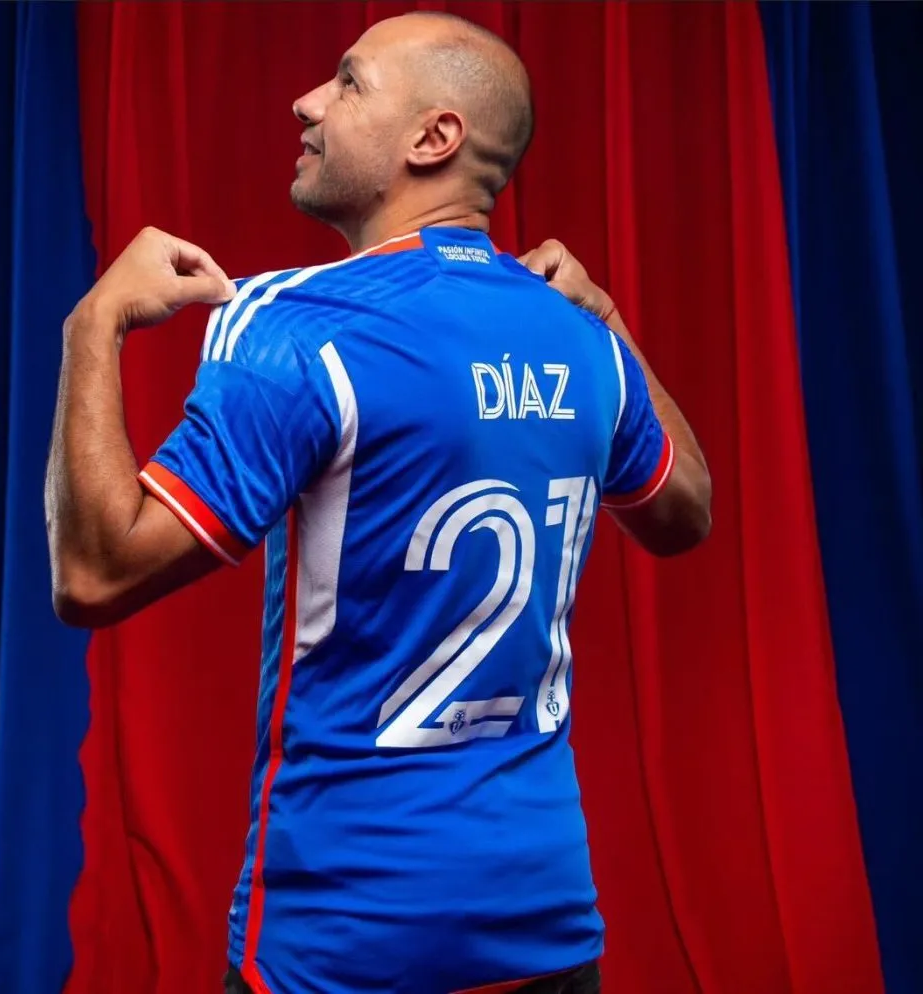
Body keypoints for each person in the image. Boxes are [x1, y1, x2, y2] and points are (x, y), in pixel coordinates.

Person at [45, 11, 711, 994]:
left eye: (348, 84)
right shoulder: (579, 337)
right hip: (549, 935)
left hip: (342, 947)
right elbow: (686, 510)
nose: (306, 103)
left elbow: (94, 575)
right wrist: (607, 322)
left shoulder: (298, 323)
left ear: (432, 140)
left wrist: (89, 325)